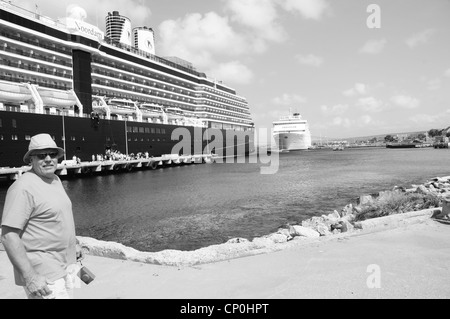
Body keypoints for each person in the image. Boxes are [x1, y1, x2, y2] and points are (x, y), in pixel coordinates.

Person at [1, 133, 83, 299]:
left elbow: (59, 217)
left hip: (65, 266)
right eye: (41, 155)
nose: (48, 159)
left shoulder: (54, 180)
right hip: (44, 274)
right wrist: (30, 277)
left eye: (52, 154)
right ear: (31, 159)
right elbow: (8, 236)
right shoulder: (23, 188)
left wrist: (74, 245)